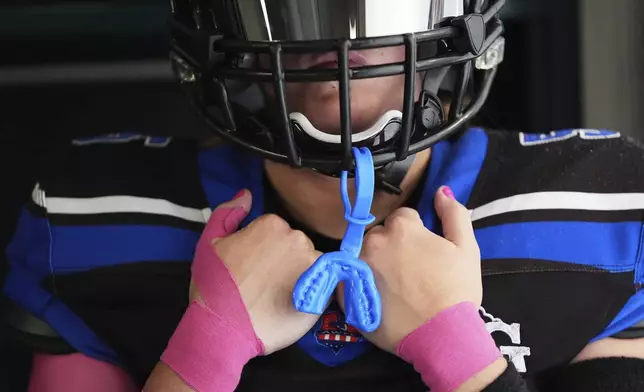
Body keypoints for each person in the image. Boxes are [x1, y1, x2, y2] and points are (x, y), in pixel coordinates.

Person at [4, 0, 644, 391]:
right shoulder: (93, 216)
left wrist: (462, 356)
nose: (340, 27)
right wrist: (206, 350)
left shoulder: (603, 200)